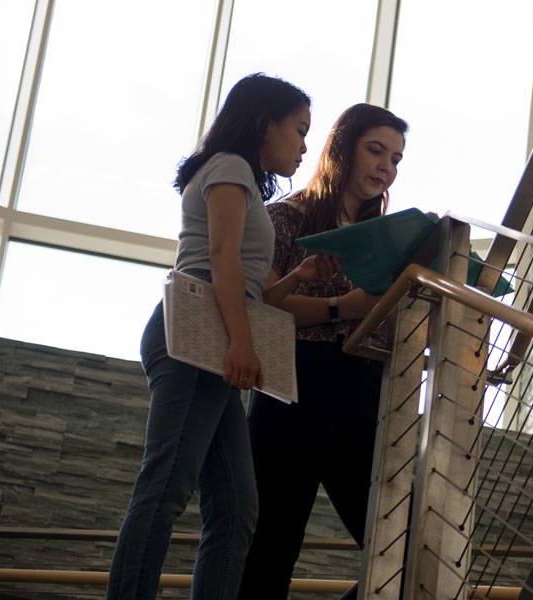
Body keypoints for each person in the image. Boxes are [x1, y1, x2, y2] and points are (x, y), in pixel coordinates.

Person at [108, 73, 334, 600]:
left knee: (236, 508)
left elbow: (250, 286)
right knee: (165, 487)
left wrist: (297, 279)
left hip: (213, 331)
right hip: (196, 333)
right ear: (264, 123)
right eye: (299, 130)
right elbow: (221, 260)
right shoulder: (230, 167)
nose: (304, 146)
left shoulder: (244, 181)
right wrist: (241, 342)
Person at [238, 103, 408, 600]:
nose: (386, 166)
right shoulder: (282, 218)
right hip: (292, 387)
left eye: (396, 159)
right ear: (342, 148)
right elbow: (263, 309)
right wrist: (345, 306)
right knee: (270, 549)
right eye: (376, 150)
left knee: (406, 542)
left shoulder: (393, 241)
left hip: (365, 392)